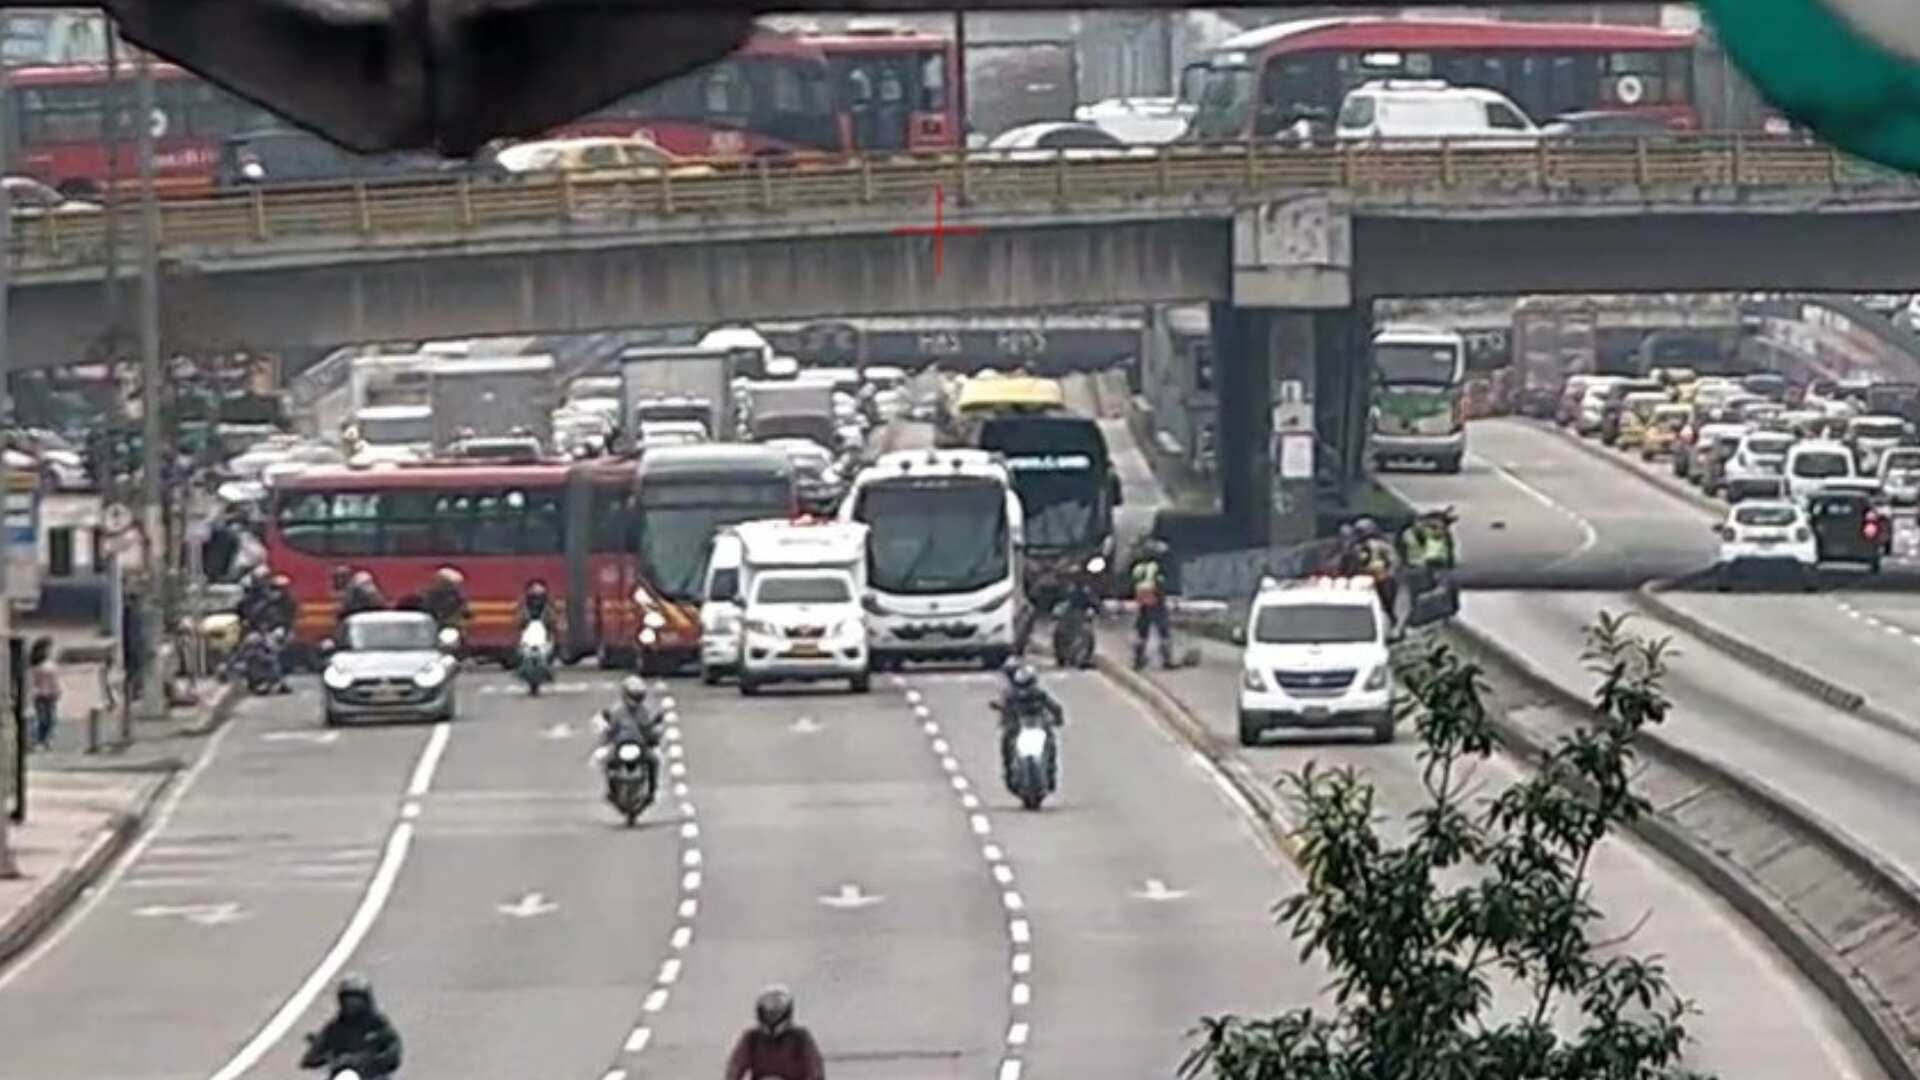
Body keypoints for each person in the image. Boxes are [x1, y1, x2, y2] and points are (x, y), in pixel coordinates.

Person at [300, 974, 402, 1079]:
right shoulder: (336, 1027)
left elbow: (393, 1048)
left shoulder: (377, 1024)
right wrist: (316, 1055)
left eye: (356, 1000)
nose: (351, 1004)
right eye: (348, 1000)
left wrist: (372, 1060)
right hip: (341, 1073)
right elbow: (317, 1050)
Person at [723, 985, 826, 1080]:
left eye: (776, 1012)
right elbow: (736, 1064)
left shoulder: (800, 1037)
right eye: (768, 1011)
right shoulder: (752, 1038)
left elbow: (814, 1065)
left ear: (786, 1011)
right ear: (760, 1011)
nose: (772, 1016)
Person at [994, 663, 1065, 789]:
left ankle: (1050, 771)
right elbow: (1005, 710)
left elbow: (1054, 708)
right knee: (1007, 742)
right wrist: (1006, 719)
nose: (1025, 691)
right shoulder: (1012, 697)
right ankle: (1010, 771)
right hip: (1020, 728)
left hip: (1038, 727)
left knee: (1050, 743)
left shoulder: (1039, 695)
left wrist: (1056, 719)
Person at [1127, 538, 1175, 669]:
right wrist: (1162, 595)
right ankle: (1167, 659)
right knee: (1163, 628)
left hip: (1142, 598)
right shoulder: (1155, 567)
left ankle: (1138, 659)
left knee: (1142, 629)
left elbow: (1132, 583)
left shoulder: (1137, 567)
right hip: (1154, 597)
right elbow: (1160, 582)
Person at [28, 637, 58, 751]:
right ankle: (38, 740)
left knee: (51, 718)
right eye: (48, 649)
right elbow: (33, 680)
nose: (50, 651)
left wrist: (57, 690)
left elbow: (55, 679)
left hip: (50, 694)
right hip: (40, 694)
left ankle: (46, 740)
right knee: (42, 718)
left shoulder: (51, 664)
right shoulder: (36, 665)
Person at [421, 567, 471, 632]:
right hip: (434, 627)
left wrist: (466, 615)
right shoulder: (431, 595)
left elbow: (466, 612)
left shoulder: (458, 596)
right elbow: (425, 609)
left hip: (453, 628)